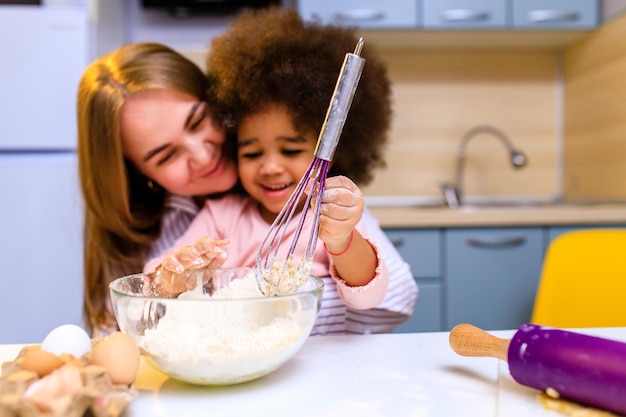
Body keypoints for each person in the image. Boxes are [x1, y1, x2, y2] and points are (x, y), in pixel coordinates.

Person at [145, 7, 418, 334]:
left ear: (330, 152)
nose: (270, 167)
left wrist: (343, 241)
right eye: (252, 152)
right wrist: (182, 268)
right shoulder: (221, 216)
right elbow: (156, 285)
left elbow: (367, 297)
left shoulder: (332, 218)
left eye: (290, 150)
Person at [76, 42, 239, 336]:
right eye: (166, 156)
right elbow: (118, 341)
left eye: (199, 120)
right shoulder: (140, 239)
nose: (202, 156)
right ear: (138, 175)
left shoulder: (289, 174)